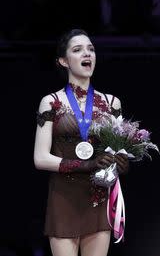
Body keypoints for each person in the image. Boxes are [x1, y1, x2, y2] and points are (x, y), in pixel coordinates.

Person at [33, 29, 129, 256]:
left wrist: (122, 162)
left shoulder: (112, 103)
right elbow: (40, 158)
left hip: (98, 197)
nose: (87, 54)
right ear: (63, 61)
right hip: (64, 197)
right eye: (77, 50)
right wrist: (86, 165)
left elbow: (118, 149)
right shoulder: (51, 102)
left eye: (91, 49)